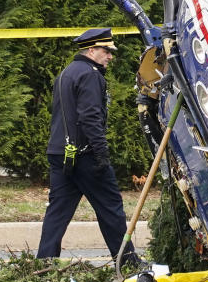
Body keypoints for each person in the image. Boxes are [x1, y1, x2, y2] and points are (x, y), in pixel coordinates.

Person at [37, 28, 139, 266]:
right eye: (106, 51)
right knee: (111, 208)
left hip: (60, 153)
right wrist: (101, 153)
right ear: (91, 50)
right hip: (85, 155)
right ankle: (128, 262)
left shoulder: (67, 73)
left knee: (57, 213)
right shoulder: (91, 75)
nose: (110, 56)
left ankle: (43, 264)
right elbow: (90, 117)